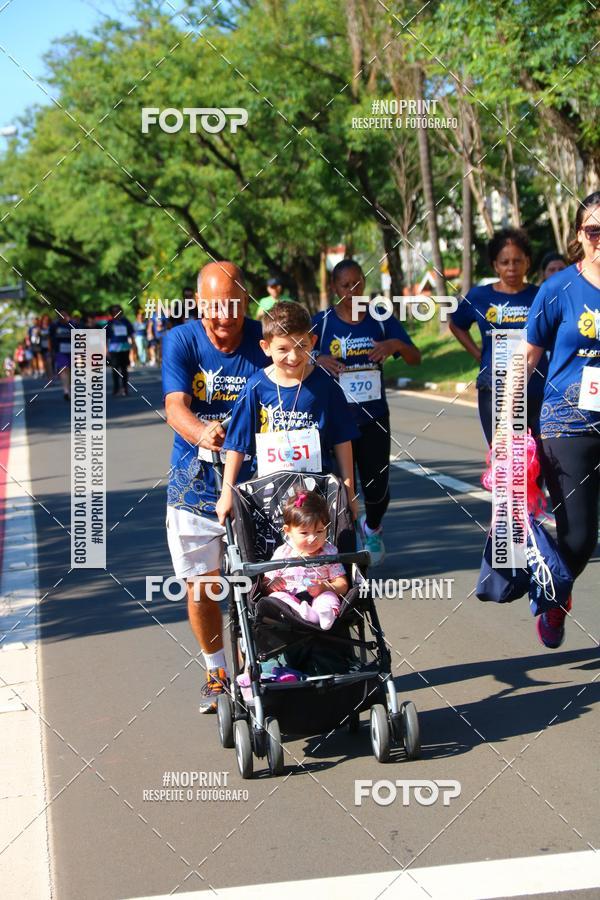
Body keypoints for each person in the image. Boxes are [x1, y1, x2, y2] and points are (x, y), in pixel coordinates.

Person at [163, 261, 269, 712]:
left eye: (232, 308)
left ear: (246, 301)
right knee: (202, 587)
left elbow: (293, 376)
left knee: (263, 583)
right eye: (212, 309)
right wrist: (199, 431)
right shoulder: (181, 340)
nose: (222, 319)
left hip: (258, 483)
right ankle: (217, 669)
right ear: (198, 304)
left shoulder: (264, 340)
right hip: (195, 486)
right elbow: (174, 405)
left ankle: (255, 669)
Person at [526, 191, 600, 649]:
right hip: (567, 424)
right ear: (579, 236)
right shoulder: (559, 290)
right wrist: (508, 425)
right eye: (595, 232)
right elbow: (526, 358)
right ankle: (555, 598)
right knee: (577, 538)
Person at [312, 258, 421, 565]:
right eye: (345, 285)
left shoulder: (380, 318)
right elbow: (293, 356)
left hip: (374, 417)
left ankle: (372, 525)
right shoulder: (321, 323)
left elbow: (415, 358)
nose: (352, 290)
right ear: (335, 288)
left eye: (357, 283)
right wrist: (316, 359)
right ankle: (341, 547)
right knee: (339, 486)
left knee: (377, 487)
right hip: (336, 420)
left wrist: (394, 344)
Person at [216, 300, 359, 524]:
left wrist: (349, 492)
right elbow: (237, 445)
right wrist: (226, 493)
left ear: (312, 342)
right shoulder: (255, 388)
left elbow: (342, 441)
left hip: (317, 491)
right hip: (268, 490)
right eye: (282, 349)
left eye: (301, 346)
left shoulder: (326, 386)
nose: (293, 357)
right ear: (266, 347)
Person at [449, 228, 547, 446]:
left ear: (527, 262)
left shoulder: (541, 295)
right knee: (505, 463)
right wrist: (479, 355)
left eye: (517, 261)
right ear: (495, 265)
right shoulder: (479, 296)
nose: (511, 268)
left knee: (537, 462)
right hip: (495, 390)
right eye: (505, 262)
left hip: (536, 389)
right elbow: (456, 325)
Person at [264, 488, 348, 630]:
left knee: (328, 597)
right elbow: (266, 582)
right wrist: (271, 584)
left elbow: (342, 584)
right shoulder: (283, 553)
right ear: (287, 531)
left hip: (319, 596)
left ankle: (325, 615)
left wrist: (325, 587)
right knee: (277, 597)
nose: (312, 538)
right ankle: (302, 613)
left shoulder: (329, 552)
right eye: (304, 533)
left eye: (320, 531)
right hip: (292, 600)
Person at [106, 305, 135, 396]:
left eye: (118, 311)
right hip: (114, 349)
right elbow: (106, 337)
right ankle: (116, 388)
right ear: (112, 313)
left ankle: (125, 388)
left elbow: (131, 334)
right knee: (115, 368)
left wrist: (133, 344)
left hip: (125, 347)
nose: (116, 313)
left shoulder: (125, 322)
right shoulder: (110, 323)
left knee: (124, 368)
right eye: (114, 311)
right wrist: (105, 349)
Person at [49, 310, 76, 400]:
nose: (63, 317)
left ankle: (71, 389)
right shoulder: (54, 326)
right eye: (60, 315)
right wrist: (51, 350)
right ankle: (66, 391)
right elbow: (50, 339)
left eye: (64, 315)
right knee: (64, 369)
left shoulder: (72, 324)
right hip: (60, 351)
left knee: (71, 370)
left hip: (72, 351)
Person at [39, 314, 53, 379]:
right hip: (42, 348)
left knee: (49, 362)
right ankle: (48, 377)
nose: (45, 321)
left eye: (47, 320)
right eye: (44, 320)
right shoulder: (40, 328)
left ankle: (51, 377)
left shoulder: (51, 327)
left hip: (50, 347)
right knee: (45, 363)